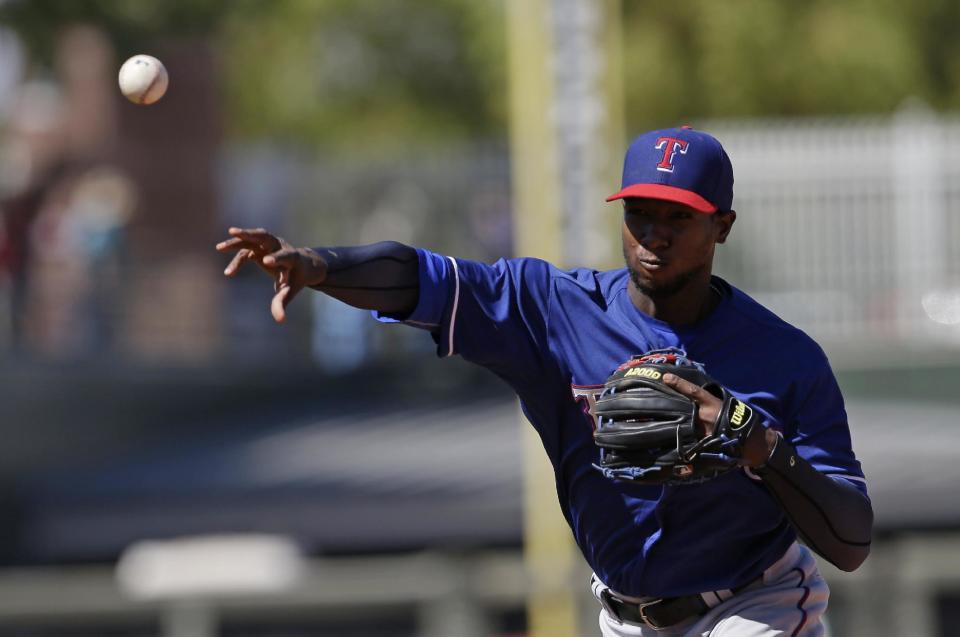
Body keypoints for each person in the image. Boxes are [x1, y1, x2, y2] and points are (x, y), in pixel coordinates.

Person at [216, 127, 873, 636]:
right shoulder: (553, 310)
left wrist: (748, 435)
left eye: (678, 217)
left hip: (752, 602)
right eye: (641, 211)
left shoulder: (784, 358)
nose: (654, 235)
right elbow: (424, 277)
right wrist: (318, 265)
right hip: (623, 613)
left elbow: (849, 539)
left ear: (722, 225)